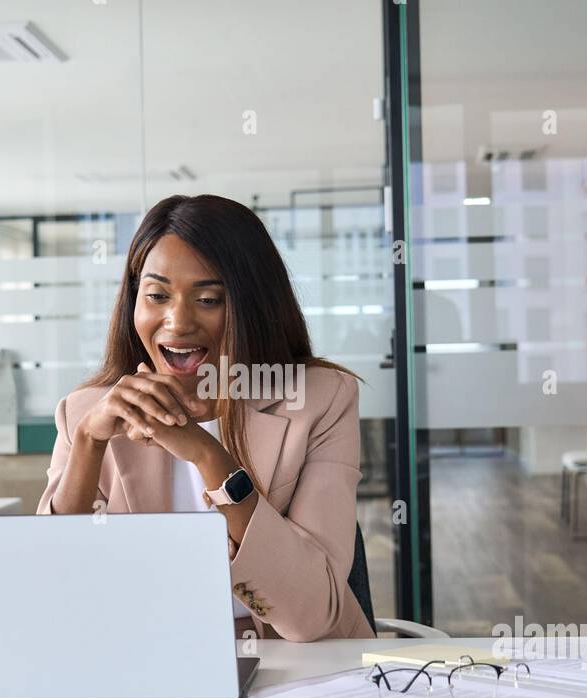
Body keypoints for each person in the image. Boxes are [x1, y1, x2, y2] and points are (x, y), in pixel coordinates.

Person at [37, 194, 374, 641]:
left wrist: (207, 456)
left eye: (209, 299)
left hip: (291, 674)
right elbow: (50, 595)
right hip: (143, 663)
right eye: (157, 295)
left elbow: (311, 617)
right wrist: (87, 443)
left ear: (252, 306)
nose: (177, 323)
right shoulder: (85, 414)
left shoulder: (319, 400)